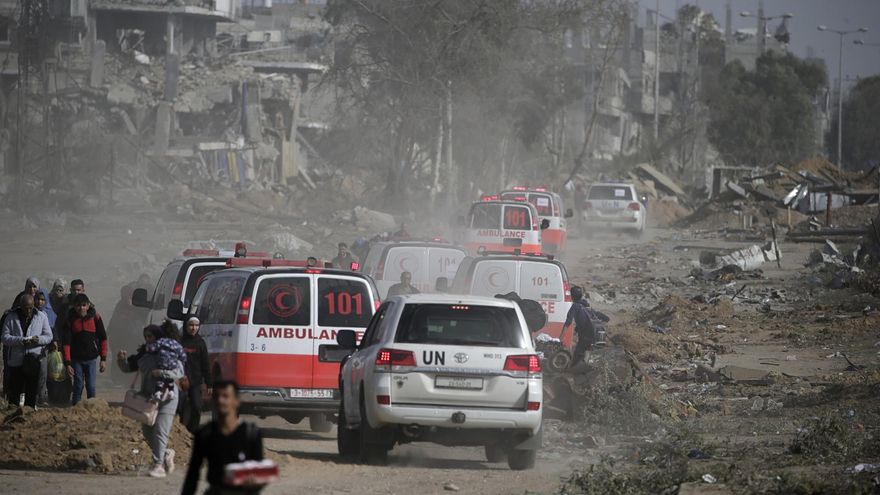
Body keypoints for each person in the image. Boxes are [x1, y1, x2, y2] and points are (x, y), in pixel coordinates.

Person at [117, 324, 184, 478]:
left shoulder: (170, 352)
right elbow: (128, 367)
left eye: (151, 337)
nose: (148, 340)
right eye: (146, 337)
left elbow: (179, 372)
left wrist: (161, 372)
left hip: (167, 397)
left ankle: (158, 465)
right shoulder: (144, 354)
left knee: (161, 430)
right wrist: (121, 360)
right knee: (148, 431)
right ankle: (166, 453)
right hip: (149, 399)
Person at [182, 380, 265, 495]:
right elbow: (193, 474)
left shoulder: (251, 433)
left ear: (236, 401)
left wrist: (254, 484)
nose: (220, 400)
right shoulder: (205, 434)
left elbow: (259, 473)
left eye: (225, 396)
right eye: (216, 396)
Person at [1, 294, 53, 407]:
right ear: (21, 306)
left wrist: (37, 340)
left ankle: (29, 414)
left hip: (33, 360)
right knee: (15, 392)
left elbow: (49, 336)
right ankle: (13, 415)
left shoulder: (41, 316)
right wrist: (21, 341)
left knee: (31, 391)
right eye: (26, 307)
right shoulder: (11, 317)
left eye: (30, 307)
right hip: (16, 360)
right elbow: (4, 337)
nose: (28, 310)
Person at [61, 293, 108, 405]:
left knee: (91, 386)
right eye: (78, 305)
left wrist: (103, 359)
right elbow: (66, 343)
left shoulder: (95, 317)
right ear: (74, 306)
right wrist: (67, 363)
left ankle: (92, 409)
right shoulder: (70, 320)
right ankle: (76, 408)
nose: (81, 308)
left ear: (88, 306)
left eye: (83, 305)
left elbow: (103, 338)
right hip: (76, 359)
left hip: (91, 359)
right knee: (78, 385)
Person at [179, 317, 212, 434]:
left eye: (196, 325)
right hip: (180, 381)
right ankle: (179, 430)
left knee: (197, 406)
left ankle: (192, 431)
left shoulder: (200, 343)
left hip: (195, 381)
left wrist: (209, 383)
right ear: (185, 326)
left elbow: (205, 364)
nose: (194, 328)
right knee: (180, 407)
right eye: (191, 325)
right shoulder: (180, 342)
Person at [561, 286, 596, 365]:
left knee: (577, 355)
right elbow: (594, 317)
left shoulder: (575, 306)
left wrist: (560, 339)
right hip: (595, 336)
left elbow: (567, 323)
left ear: (572, 296)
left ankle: (573, 373)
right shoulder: (587, 306)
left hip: (585, 337)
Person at [34, 291, 54, 406]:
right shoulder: (29, 312)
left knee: (43, 373)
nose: (40, 302)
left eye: (42, 300)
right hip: (30, 349)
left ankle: (42, 397)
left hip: (44, 348)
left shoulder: (47, 314)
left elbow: (51, 331)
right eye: (38, 299)